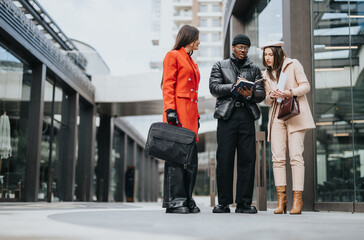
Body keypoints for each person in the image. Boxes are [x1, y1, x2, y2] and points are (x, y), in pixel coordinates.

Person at [209, 34, 265, 214]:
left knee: (247, 160)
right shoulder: (220, 65)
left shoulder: (255, 69)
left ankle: (244, 204)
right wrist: (234, 87)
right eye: (240, 47)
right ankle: (223, 203)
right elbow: (214, 88)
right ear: (233, 47)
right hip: (227, 117)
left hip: (247, 116)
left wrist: (249, 93)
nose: (243, 50)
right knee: (224, 159)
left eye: (246, 48)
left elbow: (261, 93)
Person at [261, 40, 315, 214]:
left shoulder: (293, 64)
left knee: (296, 157)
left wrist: (289, 92)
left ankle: (297, 200)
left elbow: (306, 86)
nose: (267, 58)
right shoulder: (266, 74)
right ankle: (281, 200)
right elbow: (266, 100)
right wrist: (271, 94)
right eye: (265, 55)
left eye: (270, 54)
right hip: (277, 116)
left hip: (295, 113)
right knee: (277, 158)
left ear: (277, 53)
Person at [161, 25, 201, 214]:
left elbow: (194, 92)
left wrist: (198, 116)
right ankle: (175, 202)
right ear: (189, 38)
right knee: (176, 159)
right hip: (177, 114)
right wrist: (170, 110)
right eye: (197, 38)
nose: (199, 42)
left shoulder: (192, 61)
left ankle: (187, 198)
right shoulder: (173, 55)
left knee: (191, 160)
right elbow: (168, 84)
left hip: (192, 115)